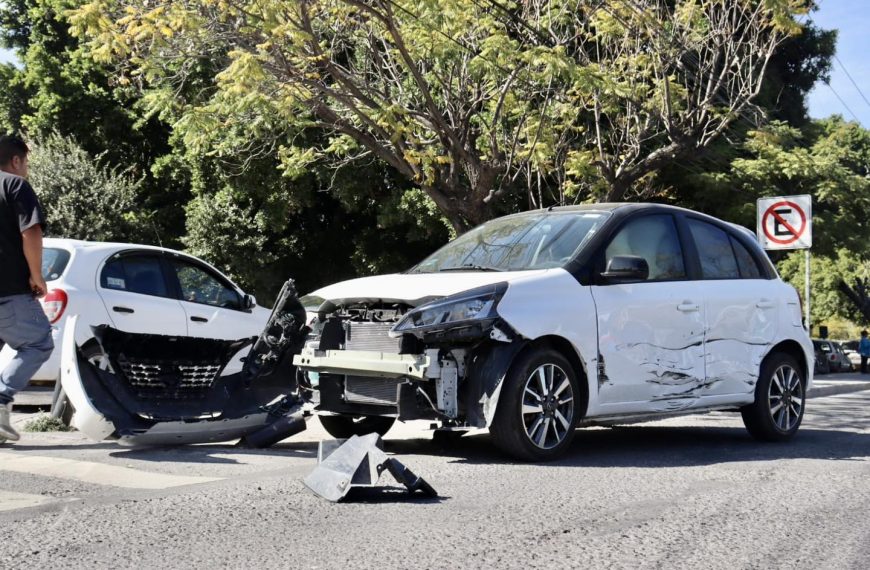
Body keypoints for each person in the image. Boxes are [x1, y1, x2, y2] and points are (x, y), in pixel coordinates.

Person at [0, 135, 52, 442]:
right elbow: (30, 231)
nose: (27, 169)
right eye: (26, 163)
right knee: (38, 343)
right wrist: (36, 275)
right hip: (9, 289)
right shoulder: (14, 185)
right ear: (16, 160)